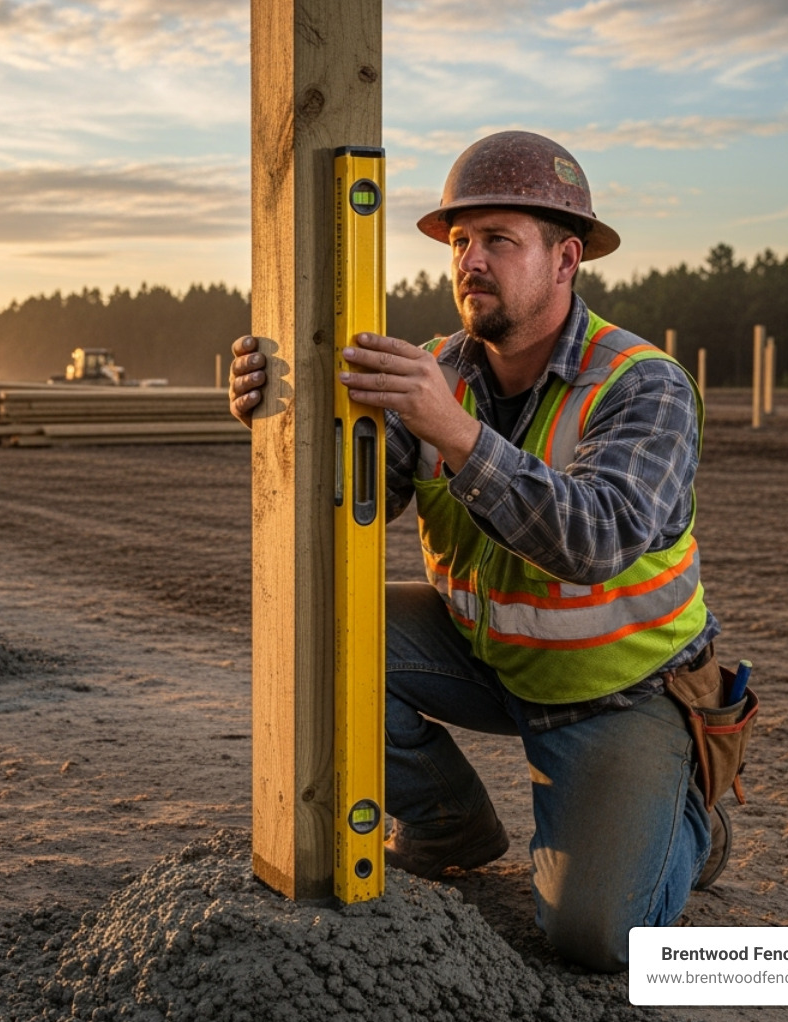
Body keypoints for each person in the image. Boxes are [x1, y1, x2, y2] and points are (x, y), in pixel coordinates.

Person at [228, 131, 729, 973]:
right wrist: (275, 417)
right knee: (318, 626)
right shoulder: (434, 371)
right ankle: (450, 821)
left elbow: (598, 537)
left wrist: (456, 435)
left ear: (566, 259)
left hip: (617, 689)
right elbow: (359, 497)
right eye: (461, 241)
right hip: (485, 650)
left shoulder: (642, 384)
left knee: (598, 940)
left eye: (500, 240)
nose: (471, 260)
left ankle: (692, 830)